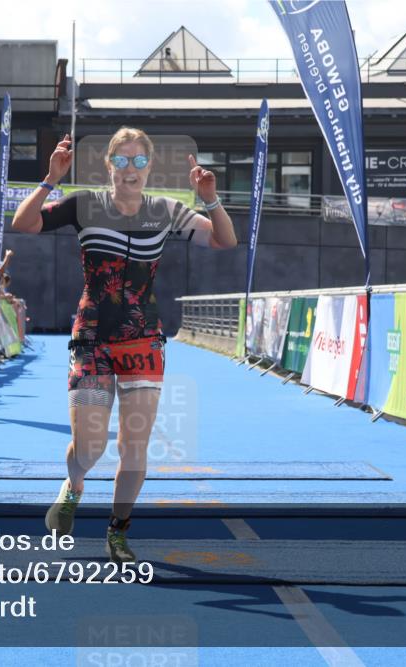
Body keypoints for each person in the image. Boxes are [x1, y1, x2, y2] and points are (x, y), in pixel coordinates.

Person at [12, 128, 237, 563]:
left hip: (143, 340)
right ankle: (74, 485)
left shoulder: (167, 210)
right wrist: (50, 179)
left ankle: (118, 531)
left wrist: (209, 198)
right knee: (90, 447)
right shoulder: (85, 204)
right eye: (121, 161)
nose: (129, 170)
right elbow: (24, 223)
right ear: (108, 165)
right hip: (92, 337)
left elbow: (225, 240)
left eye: (138, 162)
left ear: (149, 168)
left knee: (133, 447)